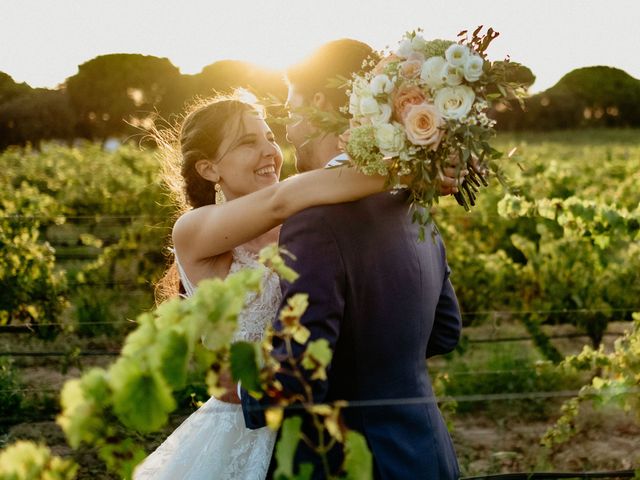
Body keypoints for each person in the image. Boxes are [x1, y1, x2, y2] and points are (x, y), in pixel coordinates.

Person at [132, 88, 462, 478]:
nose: (270, 151)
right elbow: (281, 200)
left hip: (306, 417)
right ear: (209, 169)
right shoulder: (195, 228)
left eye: (270, 136)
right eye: (247, 143)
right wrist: (409, 166)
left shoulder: (308, 224)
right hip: (248, 423)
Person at [241, 39, 463, 479]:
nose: (289, 129)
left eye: (291, 108)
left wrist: (239, 389)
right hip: (428, 454)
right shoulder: (411, 202)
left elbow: (303, 373)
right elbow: (445, 331)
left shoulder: (315, 220)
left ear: (320, 102)